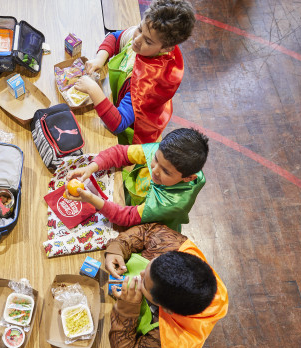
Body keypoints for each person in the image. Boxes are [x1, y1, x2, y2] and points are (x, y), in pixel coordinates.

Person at [105, 223, 228, 348]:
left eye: (144, 282)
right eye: (149, 266)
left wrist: (126, 310)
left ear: (166, 309)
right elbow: (148, 231)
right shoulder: (175, 245)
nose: (141, 274)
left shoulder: (175, 341)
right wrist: (117, 248)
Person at [74, 0, 196, 145]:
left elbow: (118, 124)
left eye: (148, 41)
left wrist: (93, 89)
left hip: (132, 131)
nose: (136, 40)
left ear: (165, 49)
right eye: (139, 29)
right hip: (119, 101)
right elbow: (115, 37)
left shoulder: (148, 84)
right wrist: (100, 59)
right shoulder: (147, 34)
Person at [66, 128, 208, 232]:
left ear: (188, 178)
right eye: (156, 159)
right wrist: (91, 167)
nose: (155, 170)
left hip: (147, 226)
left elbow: (127, 217)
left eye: (166, 171)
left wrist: (92, 199)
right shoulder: (165, 154)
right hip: (129, 201)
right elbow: (120, 153)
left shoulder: (172, 203)